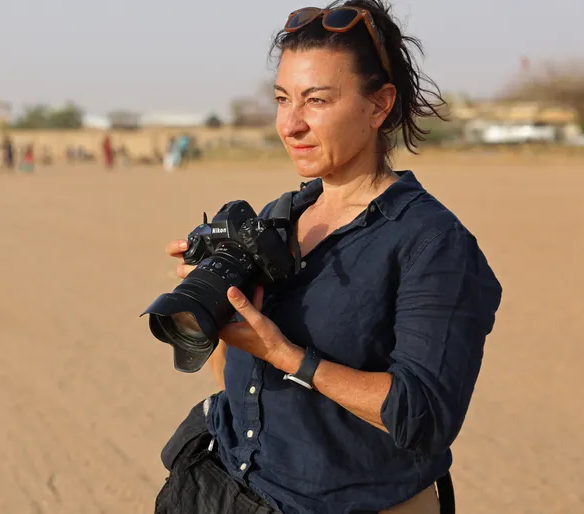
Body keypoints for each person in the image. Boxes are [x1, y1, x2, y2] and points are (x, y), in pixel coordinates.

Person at [155, 1, 503, 513]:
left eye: (316, 100)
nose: (290, 124)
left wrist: (287, 355)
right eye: (282, 98)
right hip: (229, 489)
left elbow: (424, 415)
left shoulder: (431, 242)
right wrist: (212, 303)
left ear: (379, 105)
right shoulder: (279, 217)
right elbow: (237, 378)